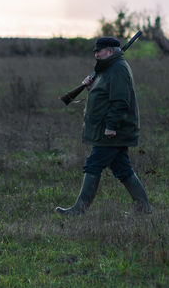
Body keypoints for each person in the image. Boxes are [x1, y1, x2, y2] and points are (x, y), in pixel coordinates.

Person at [56, 36, 152, 216]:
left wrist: (111, 126)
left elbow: (120, 101)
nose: (96, 54)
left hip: (112, 131)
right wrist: (90, 87)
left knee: (93, 164)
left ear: (110, 51)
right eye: (95, 51)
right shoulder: (108, 68)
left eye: (99, 51)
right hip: (107, 129)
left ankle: (79, 210)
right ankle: (143, 208)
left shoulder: (118, 69)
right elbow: (104, 94)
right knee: (122, 168)